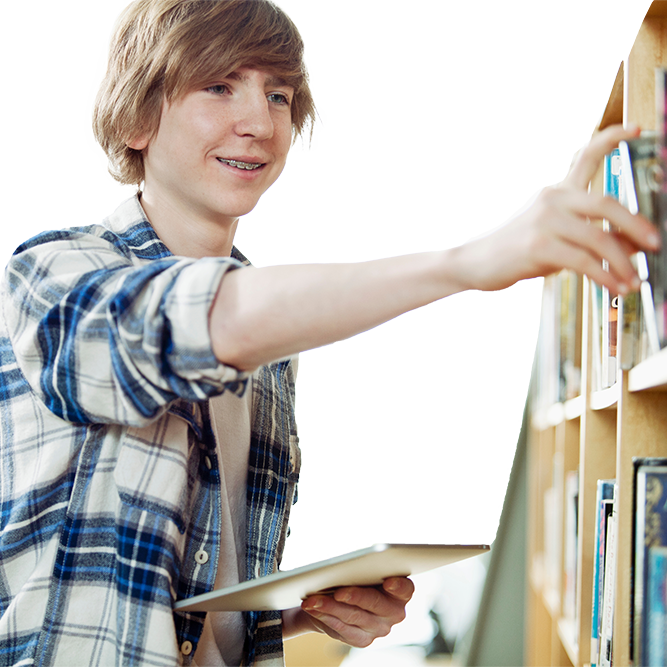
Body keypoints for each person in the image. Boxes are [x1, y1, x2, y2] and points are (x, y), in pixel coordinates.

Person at [0, 0, 658, 665]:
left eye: (278, 95)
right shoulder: (51, 276)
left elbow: (174, 597)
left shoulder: (271, 349)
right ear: (139, 116)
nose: (259, 122)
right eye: (219, 85)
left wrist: (295, 614)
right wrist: (470, 262)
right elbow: (199, 320)